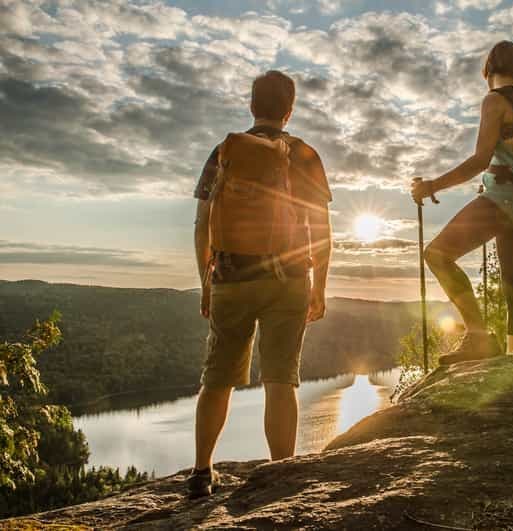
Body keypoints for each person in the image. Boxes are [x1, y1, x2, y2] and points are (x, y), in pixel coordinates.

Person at [188, 71, 332, 498]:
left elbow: (201, 226)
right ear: (289, 111)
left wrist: (206, 282)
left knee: (218, 378)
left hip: (230, 276)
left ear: (252, 106)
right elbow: (321, 229)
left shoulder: (224, 151)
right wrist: (320, 286)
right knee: (280, 378)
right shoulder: (304, 154)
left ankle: (201, 472)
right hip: (288, 281)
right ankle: (281, 474)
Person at [411, 41, 513, 365]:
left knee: (437, 255)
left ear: (489, 69)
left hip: (502, 200)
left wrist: (431, 186)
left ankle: (479, 339)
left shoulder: (494, 101)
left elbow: (479, 160)